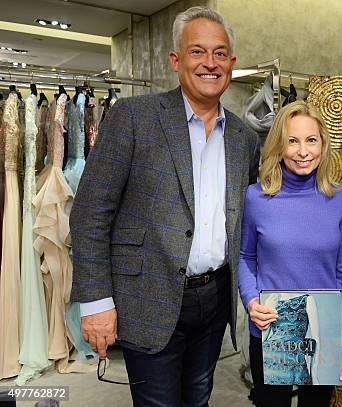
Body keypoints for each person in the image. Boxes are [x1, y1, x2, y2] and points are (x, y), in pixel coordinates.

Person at [69, 6, 260, 406]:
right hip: (147, 297)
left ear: (232, 62)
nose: (210, 63)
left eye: (220, 53)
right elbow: (90, 212)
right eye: (197, 52)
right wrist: (97, 303)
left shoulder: (244, 138)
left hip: (214, 301)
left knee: (198, 400)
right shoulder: (134, 118)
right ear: (176, 60)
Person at [238, 101, 342, 407]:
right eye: (292, 141)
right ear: (279, 145)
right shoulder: (256, 197)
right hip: (270, 328)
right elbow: (245, 257)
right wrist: (252, 301)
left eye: (311, 140)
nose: (303, 151)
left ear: (323, 144)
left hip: (323, 330)